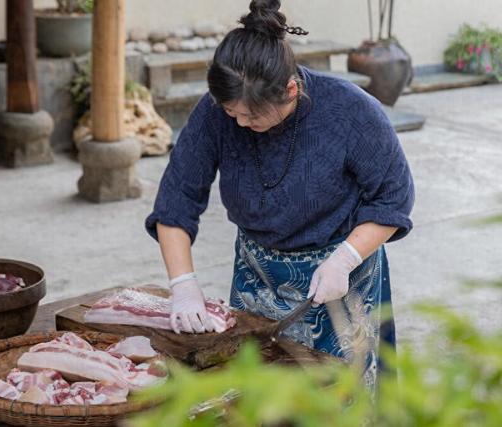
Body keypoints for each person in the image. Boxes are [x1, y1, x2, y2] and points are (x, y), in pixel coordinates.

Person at [145, 0, 414, 388]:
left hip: (339, 276)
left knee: (339, 397)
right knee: (258, 393)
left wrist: (345, 259)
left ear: (291, 89)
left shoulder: (351, 111)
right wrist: (182, 284)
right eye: (231, 113)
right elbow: (176, 200)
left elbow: (393, 197)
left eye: (251, 116)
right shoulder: (216, 114)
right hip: (256, 275)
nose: (238, 122)